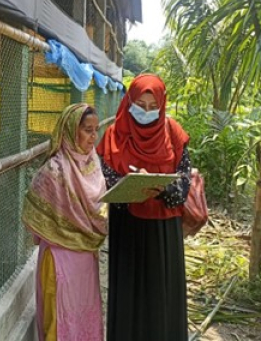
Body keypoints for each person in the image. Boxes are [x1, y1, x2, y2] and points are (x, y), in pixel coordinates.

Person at [97, 74, 191, 341]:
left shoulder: (173, 133)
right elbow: (104, 176)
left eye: (153, 107)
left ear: (162, 105)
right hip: (127, 227)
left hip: (164, 229)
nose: (146, 112)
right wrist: (129, 187)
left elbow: (184, 182)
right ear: (129, 102)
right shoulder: (114, 135)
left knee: (162, 293)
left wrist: (164, 191)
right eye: (140, 104)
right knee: (129, 294)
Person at [22, 103, 108, 341]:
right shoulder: (53, 170)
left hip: (85, 259)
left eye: (95, 129)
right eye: (87, 130)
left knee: (83, 315)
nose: (93, 136)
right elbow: (34, 211)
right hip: (59, 260)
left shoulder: (94, 165)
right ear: (70, 131)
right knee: (58, 319)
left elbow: (100, 208)